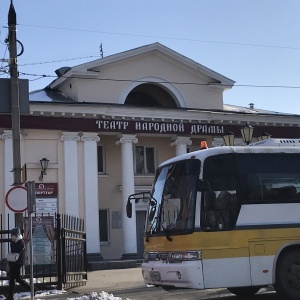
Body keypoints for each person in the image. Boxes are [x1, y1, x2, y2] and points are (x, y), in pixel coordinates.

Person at [6, 227, 35, 300]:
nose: (12, 237)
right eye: (11, 235)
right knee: (16, 279)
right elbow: (12, 250)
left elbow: (15, 251)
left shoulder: (20, 242)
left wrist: (13, 242)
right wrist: (12, 241)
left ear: (17, 235)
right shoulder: (13, 241)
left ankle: (32, 289)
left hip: (17, 263)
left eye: (13, 235)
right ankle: (32, 289)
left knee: (15, 279)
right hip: (13, 262)